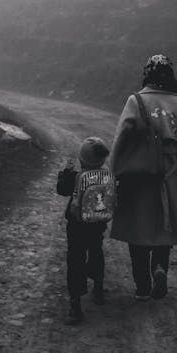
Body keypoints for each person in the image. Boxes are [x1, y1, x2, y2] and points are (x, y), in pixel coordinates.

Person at [109, 54, 177, 300]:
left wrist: (114, 170)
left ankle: (142, 286)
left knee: (137, 230)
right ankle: (160, 266)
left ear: (146, 74)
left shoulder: (136, 101)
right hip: (170, 174)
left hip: (138, 175)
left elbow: (121, 139)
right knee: (164, 224)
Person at [56, 136, 111, 325]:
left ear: (81, 159)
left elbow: (61, 190)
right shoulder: (106, 176)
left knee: (75, 259)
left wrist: (65, 173)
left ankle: (75, 305)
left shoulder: (75, 176)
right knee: (96, 251)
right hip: (97, 223)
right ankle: (98, 289)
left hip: (77, 225)